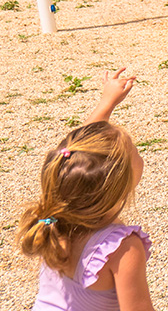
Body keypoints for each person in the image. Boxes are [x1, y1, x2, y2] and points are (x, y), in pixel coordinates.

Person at [18, 68, 153, 311]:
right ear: (117, 184)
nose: (139, 153)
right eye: (135, 151)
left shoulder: (55, 223)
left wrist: (107, 102)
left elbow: (83, 155)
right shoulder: (121, 248)